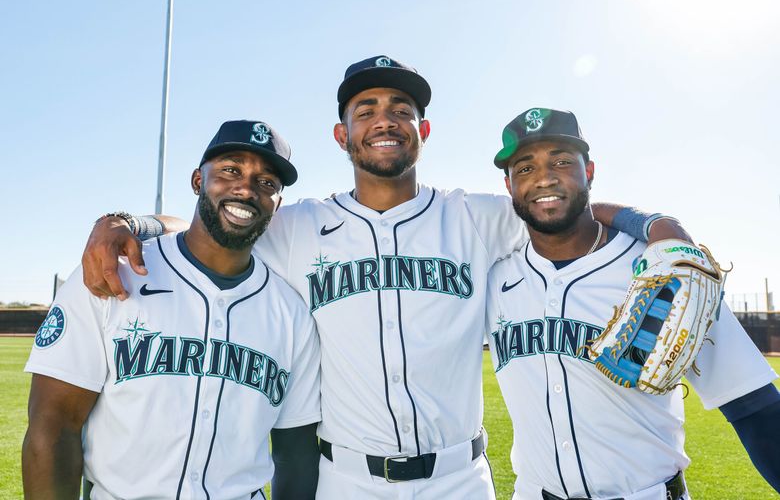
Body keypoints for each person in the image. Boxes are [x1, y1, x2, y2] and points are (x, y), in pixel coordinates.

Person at [81, 57, 690, 499]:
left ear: (422, 133)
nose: (385, 119)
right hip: (346, 480)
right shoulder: (297, 225)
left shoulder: (474, 216)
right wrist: (128, 221)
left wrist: (652, 220)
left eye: (403, 110)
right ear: (342, 134)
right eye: (366, 109)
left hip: (459, 478)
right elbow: (216, 221)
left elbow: (557, 201)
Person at [486, 107, 780, 499]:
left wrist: (658, 226)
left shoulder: (664, 266)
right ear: (508, 187)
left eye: (561, 160)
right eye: (524, 168)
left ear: (588, 172)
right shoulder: (494, 276)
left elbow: (752, 406)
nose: (544, 177)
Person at [22, 120, 321, 500]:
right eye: (230, 170)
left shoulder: (292, 313)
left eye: (267, 183)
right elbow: (53, 426)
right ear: (198, 181)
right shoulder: (113, 273)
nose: (246, 188)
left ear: (276, 204)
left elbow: (296, 452)